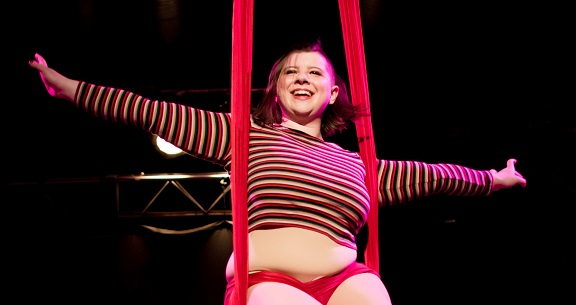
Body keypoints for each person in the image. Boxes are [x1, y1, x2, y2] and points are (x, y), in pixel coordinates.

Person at [28, 40, 527, 305]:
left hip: (345, 279)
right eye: (291, 71)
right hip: (267, 282)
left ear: (332, 94)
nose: (302, 78)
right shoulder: (247, 137)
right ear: (276, 89)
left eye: (315, 72)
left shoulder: (363, 164)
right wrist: (69, 87)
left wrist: (493, 179)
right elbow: (151, 112)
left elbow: (434, 175)